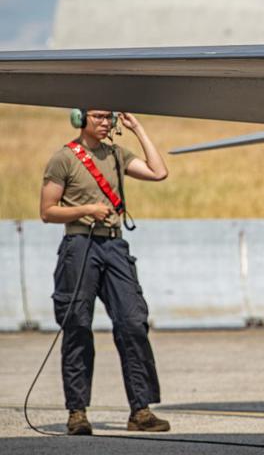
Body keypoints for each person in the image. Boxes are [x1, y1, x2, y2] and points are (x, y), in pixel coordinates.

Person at [40, 109, 170, 435]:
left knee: (133, 323)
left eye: (108, 118)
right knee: (77, 326)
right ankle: (77, 413)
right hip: (79, 246)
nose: (104, 123)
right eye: (97, 117)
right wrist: (87, 210)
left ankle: (140, 411)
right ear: (80, 118)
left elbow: (159, 173)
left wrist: (137, 128)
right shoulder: (64, 159)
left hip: (114, 246)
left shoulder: (117, 154)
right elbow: (47, 211)